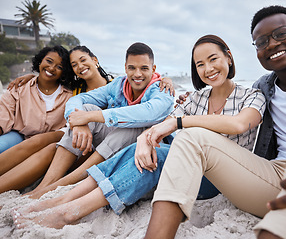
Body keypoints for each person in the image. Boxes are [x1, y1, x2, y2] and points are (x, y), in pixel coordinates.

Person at [143, 5, 286, 239]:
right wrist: (151, 133)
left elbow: (238, 123)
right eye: (262, 42)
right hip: (275, 181)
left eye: (280, 33)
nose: (273, 44)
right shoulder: (262, 88)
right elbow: (225, 108)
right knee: (190, 137)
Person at [12, 34, 266, 229]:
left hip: (222, 179)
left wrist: (178, 124)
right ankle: (58, 199)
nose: (208, 69)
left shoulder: (251, 95)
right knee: (142, 150)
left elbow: (239, 125)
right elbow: (164, 122)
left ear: (228, 58)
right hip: (191, 168)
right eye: (200, 64)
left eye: (214, 59)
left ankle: (68, 212)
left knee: (155, 159)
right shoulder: (197, 98)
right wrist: (146, 139)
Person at [23, 42, 174, 200]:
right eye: (132, 68)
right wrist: (79, 122)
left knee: (130, 126)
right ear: (125, 67)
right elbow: (79, 99)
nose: (137, 74)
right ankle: (45, 185)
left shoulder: (163, 90)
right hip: (110, 147)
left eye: (144, 68)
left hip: (143, 156)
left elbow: (147, 113)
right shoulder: (119, 85)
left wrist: (89, 117)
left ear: (153, 69)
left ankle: (62, 184)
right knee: (88, 108)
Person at [0, 46, 114, 193]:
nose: (80, 66)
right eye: (74, 65)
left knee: (48, 146)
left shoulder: (115, 86)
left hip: (95, 146)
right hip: (74, 137)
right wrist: (30, 77)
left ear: (95, 60)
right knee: (41, 143)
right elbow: (47, 81)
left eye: (83, 60)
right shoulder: (77, 87)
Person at [0, 46, 74, 154]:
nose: (52, 68)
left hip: (50, 144)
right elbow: (4, 114)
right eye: (49, 61)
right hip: (20, 136)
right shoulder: (20, 87)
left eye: (59, 67)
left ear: (64, 72)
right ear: (40, 61)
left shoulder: (70, 96)